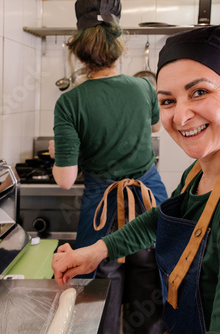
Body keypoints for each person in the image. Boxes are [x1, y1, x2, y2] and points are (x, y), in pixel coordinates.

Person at [52, 24, 220, 334]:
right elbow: (160, 220)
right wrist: (98, 251)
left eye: (199, 92)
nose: (180, 116)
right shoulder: (201, 170)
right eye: (168, 101)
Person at [48, 0, 168, 333]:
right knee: (152, 294)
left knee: (97, 298)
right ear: (117, 46)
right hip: (149, 202)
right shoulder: (144, 87)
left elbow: (66, 179)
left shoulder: (70, 102)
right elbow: (156, 127)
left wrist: (59, 151)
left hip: (101, 208)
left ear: (79, 50)